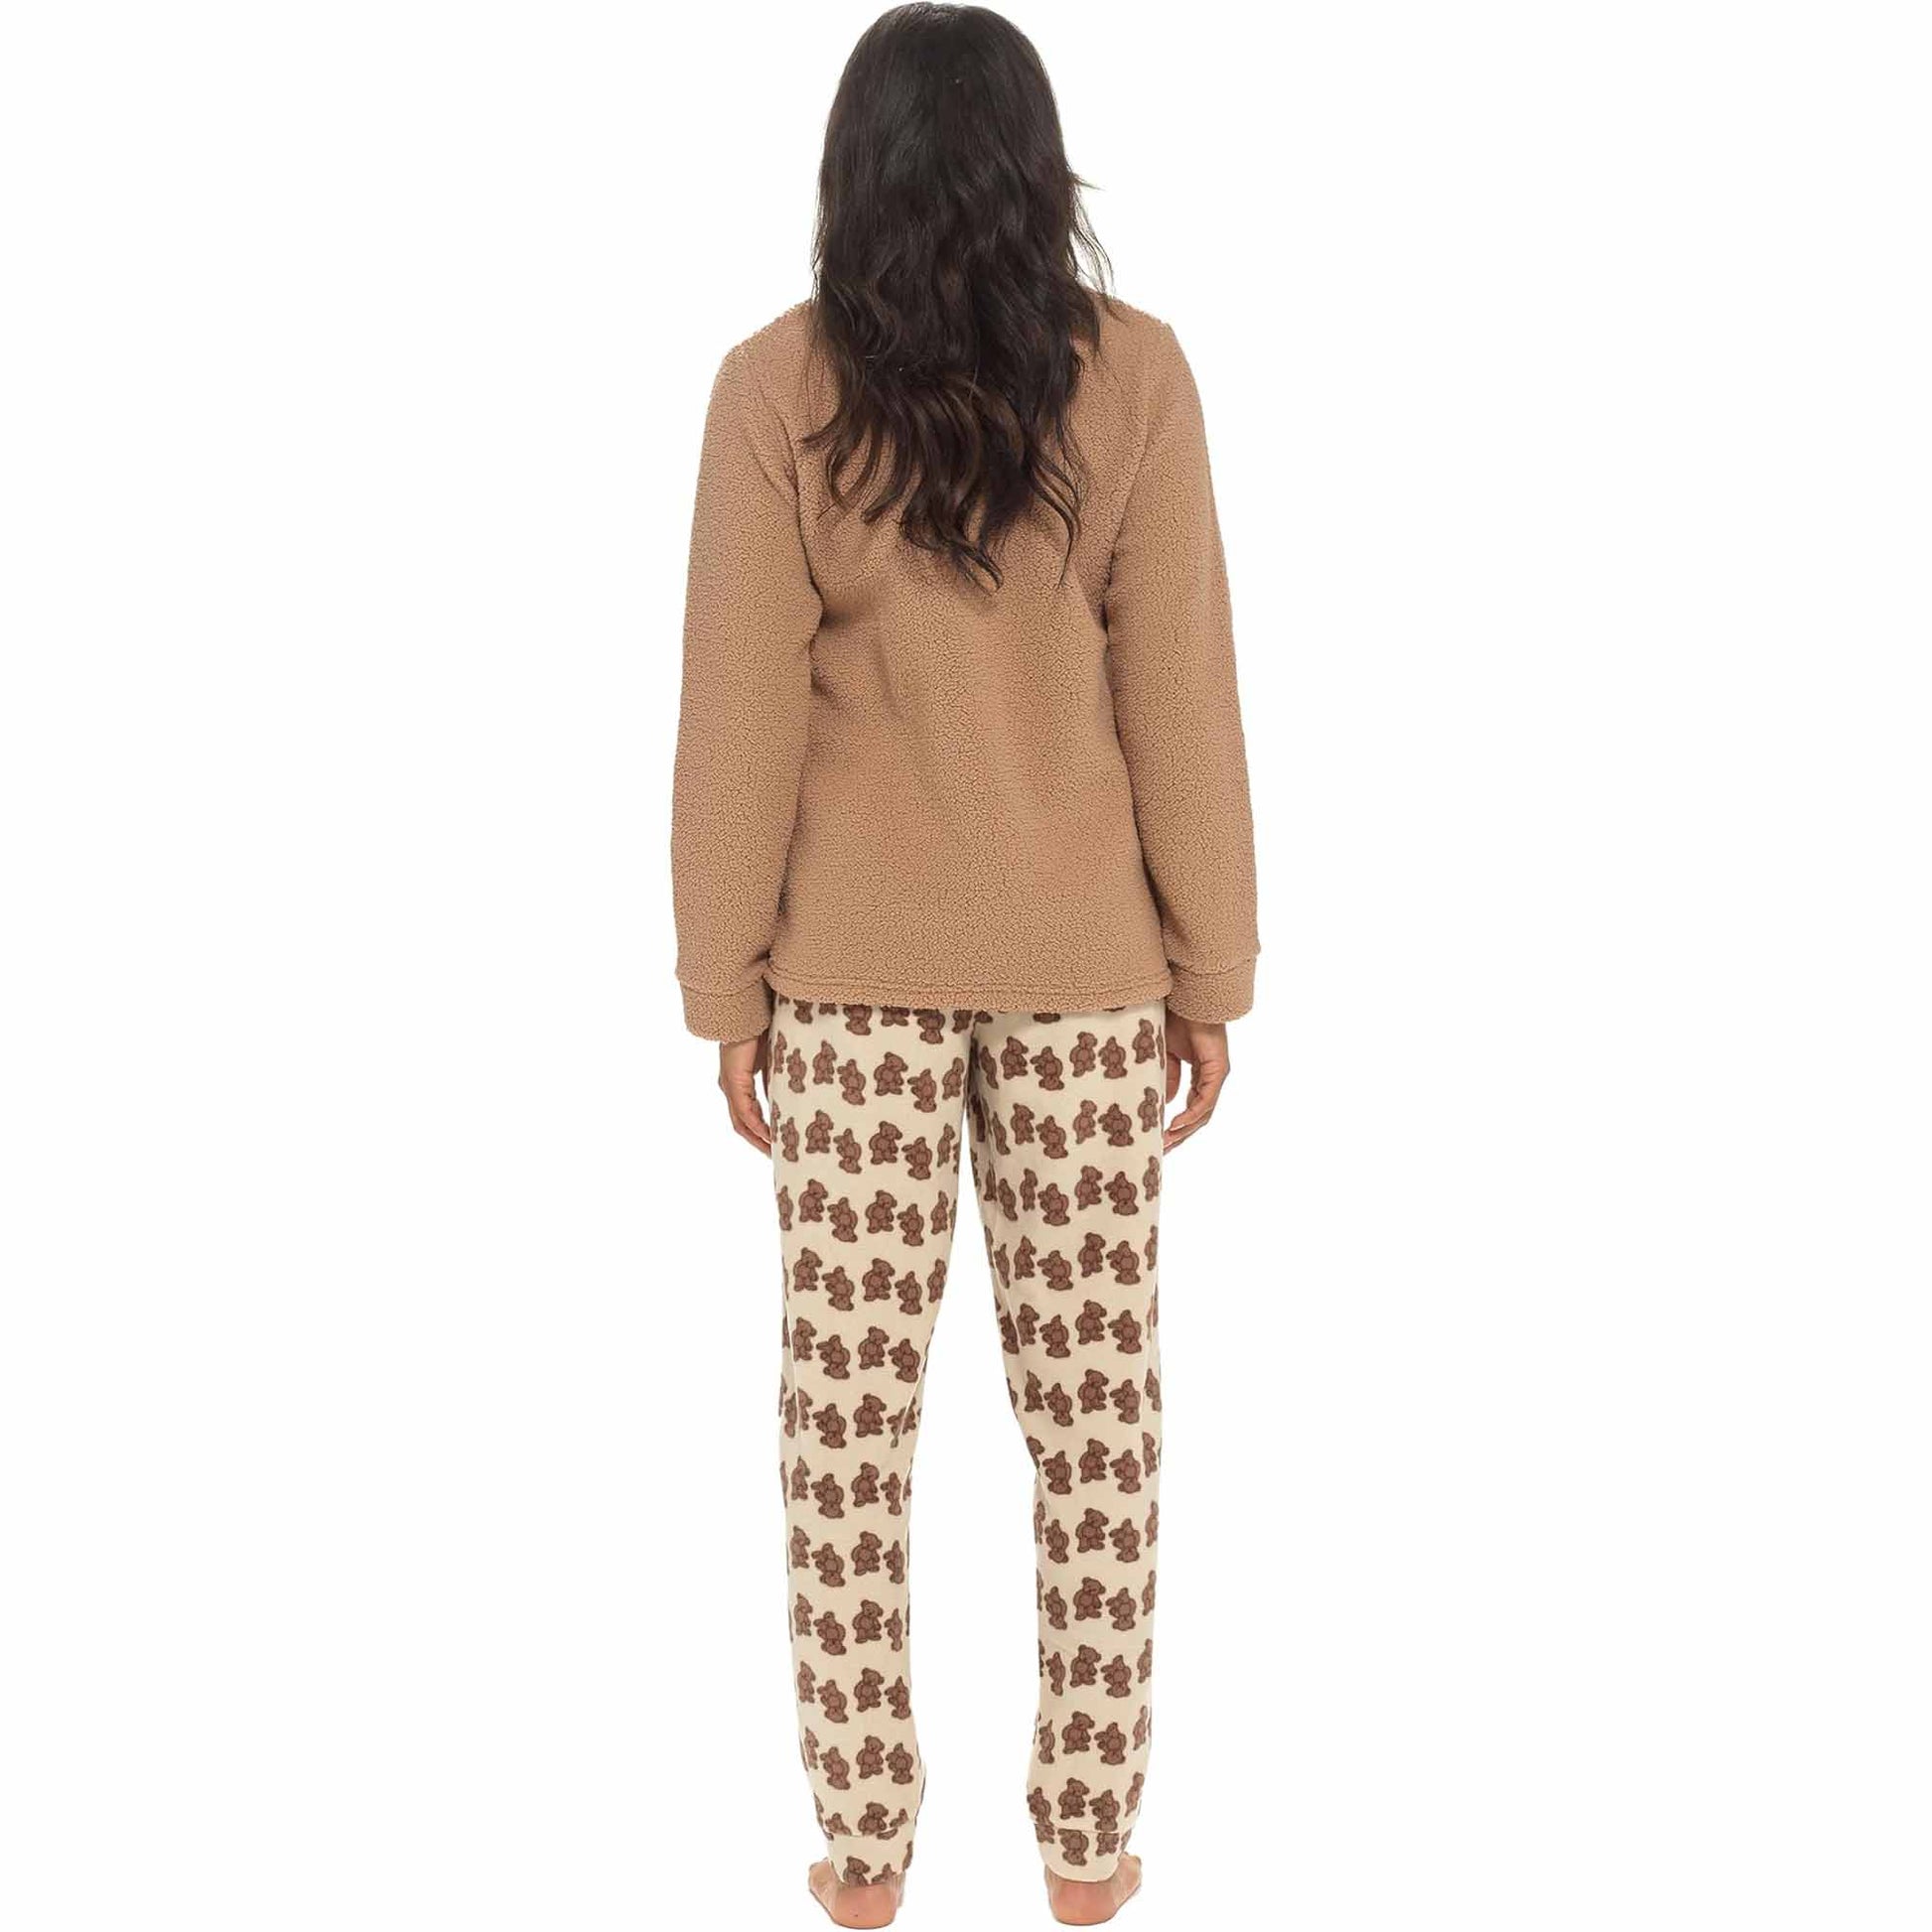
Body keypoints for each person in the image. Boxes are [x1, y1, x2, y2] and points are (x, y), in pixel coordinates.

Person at [670, 6, 1258, 1922]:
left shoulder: (774, 390)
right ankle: (1085, 1845)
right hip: (1089, 977)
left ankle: (861, 1848)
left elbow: (737, 718)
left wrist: (724, 986)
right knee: (1098, 1427)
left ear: (851, 174)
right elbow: (1181, 698)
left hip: (844, 990)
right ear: (1035, 167)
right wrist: (1212, 967)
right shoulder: (1136, 377)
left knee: (843, 1435)